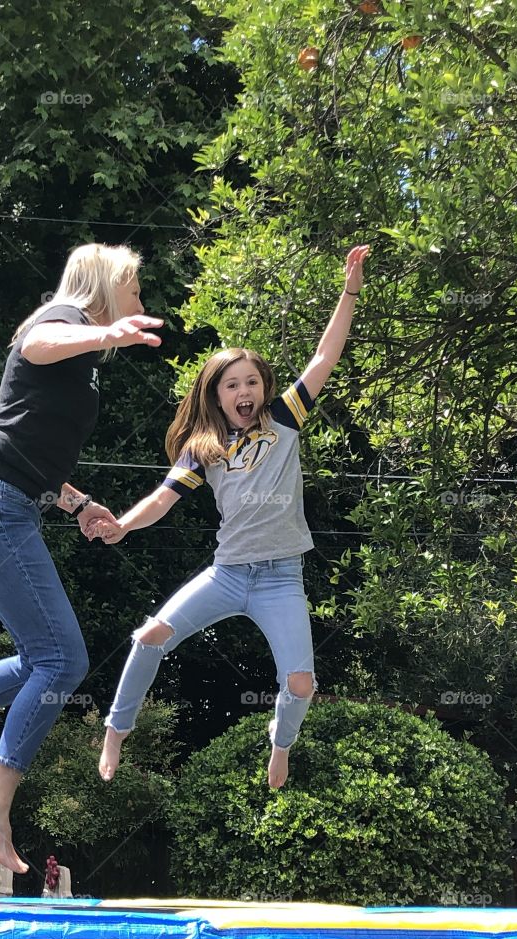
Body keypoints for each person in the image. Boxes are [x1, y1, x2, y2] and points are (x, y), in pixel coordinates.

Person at [0, 243, 164, 874]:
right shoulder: (64, 322)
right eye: (135, 291)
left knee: (43, 658)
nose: (142, 305)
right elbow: (37, 343)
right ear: (108, 285)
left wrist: (79, 505)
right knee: (62, 658)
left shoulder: (83, 350)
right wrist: (108, 329)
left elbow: (29, 450)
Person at [91, 245, 370, 790]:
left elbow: (324, 358)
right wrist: (123, 524)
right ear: (217, 396)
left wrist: (350, 290)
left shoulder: (285, 418)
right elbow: (162, 500)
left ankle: (280, 744)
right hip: (228, 575)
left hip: (281, 578)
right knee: (149, 636)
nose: (245, 391)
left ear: (263, 388)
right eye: (232, 384)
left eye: (251, 382)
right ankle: (116, 730)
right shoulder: (203, 448)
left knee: (302, 682)